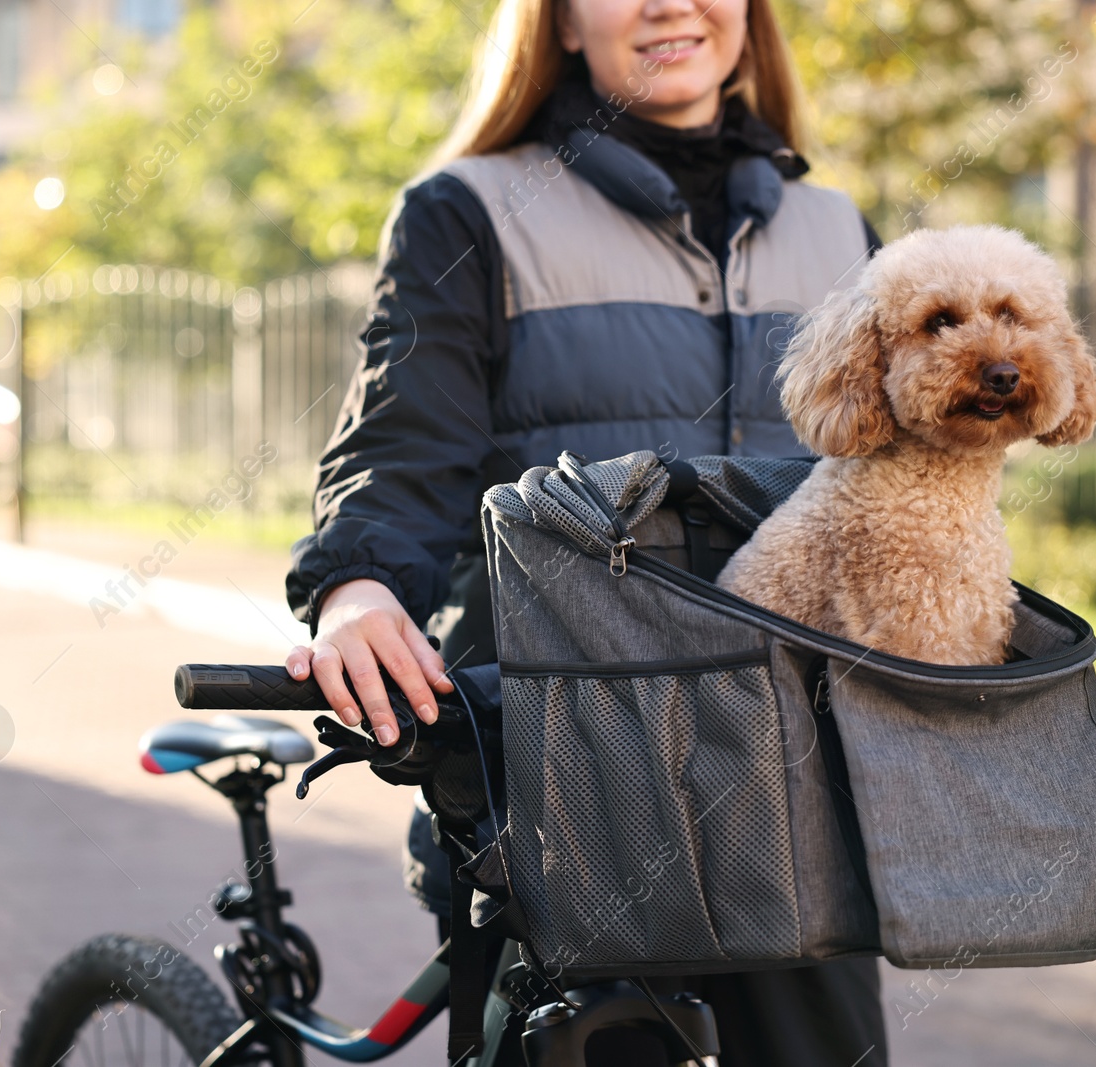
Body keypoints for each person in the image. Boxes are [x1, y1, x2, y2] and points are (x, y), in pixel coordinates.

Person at [284, 0, 887, 1061]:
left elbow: (899, 482)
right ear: (559, 23)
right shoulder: (470, 211)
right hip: (568, 784)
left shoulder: (838, 230)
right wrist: (359, 589)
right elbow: (401, 447)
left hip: (801, 791)